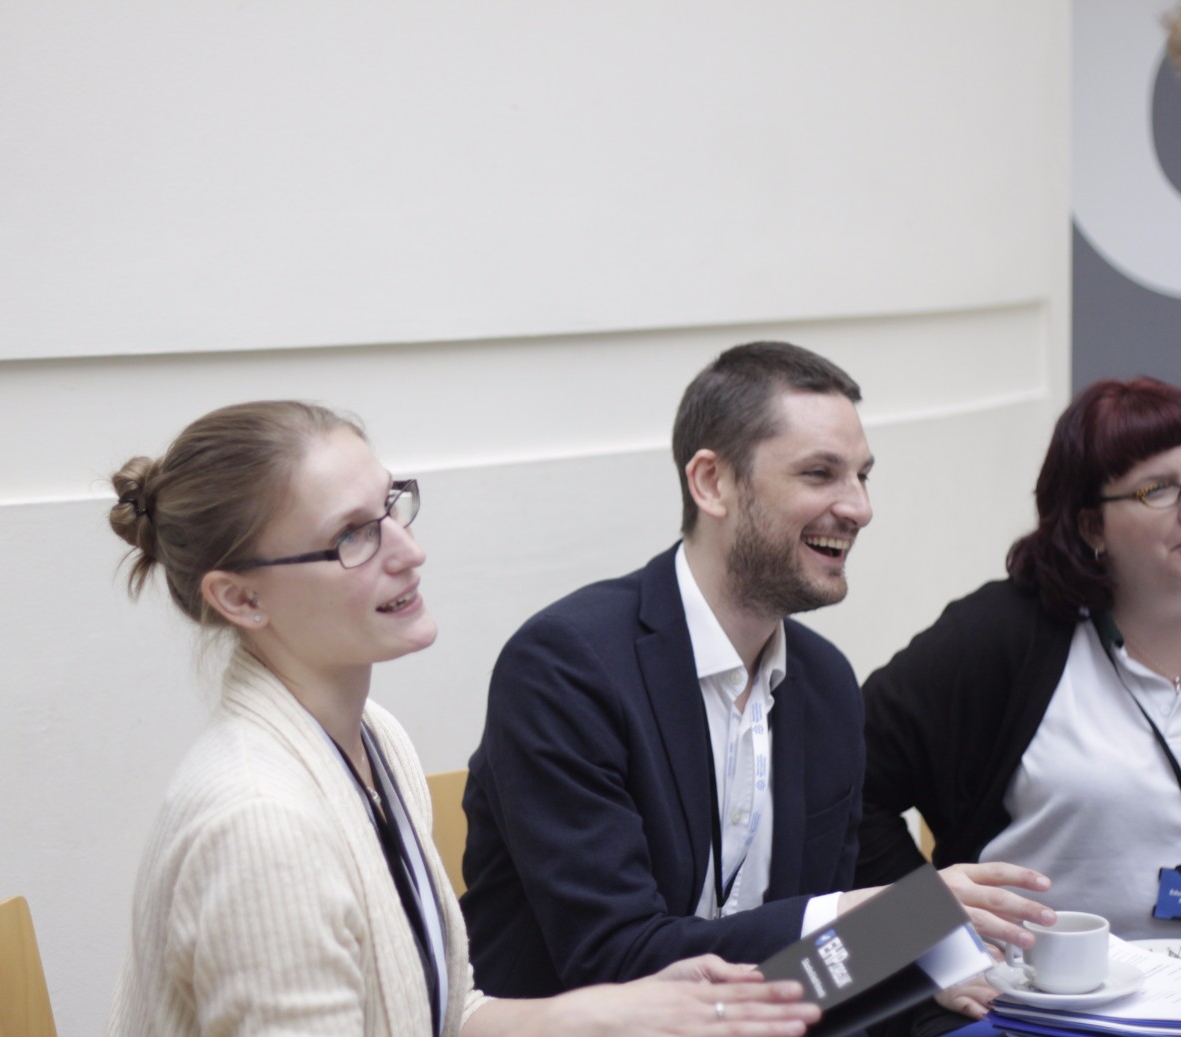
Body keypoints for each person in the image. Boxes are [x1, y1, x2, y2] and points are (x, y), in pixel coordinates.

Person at [105, 400, 824, 1037]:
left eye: (392, 507)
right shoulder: (262, 823)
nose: (409, 551)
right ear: (240, 599)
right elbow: (616, 947)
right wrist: (899, 916)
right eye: (354, 535)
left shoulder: (374, 735)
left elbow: (442, 1011)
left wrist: (613, 1011)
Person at [460, 341, 1054, 999]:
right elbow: (615, 958)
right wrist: (889, 918)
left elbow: (815, 964)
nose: (858, 507)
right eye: (819, 473)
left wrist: (921, 965)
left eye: (861, 475)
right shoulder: (566, 667)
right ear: (711, 482)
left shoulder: (824, 683)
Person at [861, 376, 1181, 1015]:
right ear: (1092, 524)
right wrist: (931, 946)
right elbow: (843, 787)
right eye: (1159, 489)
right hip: (1041, 1007)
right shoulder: (1003, 638)